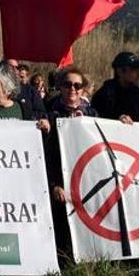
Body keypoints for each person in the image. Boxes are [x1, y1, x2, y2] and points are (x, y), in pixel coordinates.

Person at [42, 66, 95, 258]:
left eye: (77, 85)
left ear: (83, 89)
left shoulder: (93, 114)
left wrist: (123, 121)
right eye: (67, 84)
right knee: (62, 228)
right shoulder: (50, 114)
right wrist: (54, 184)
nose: (72, 89)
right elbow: (47, 155)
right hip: (61, 181)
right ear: (60, 87)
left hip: (87, 180)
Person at [92, 52, 139, 123]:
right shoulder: (107, 92)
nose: (138, 73)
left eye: (138, 69)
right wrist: (119, 117)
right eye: (133, 69)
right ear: (120, 71)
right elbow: (101, 113)